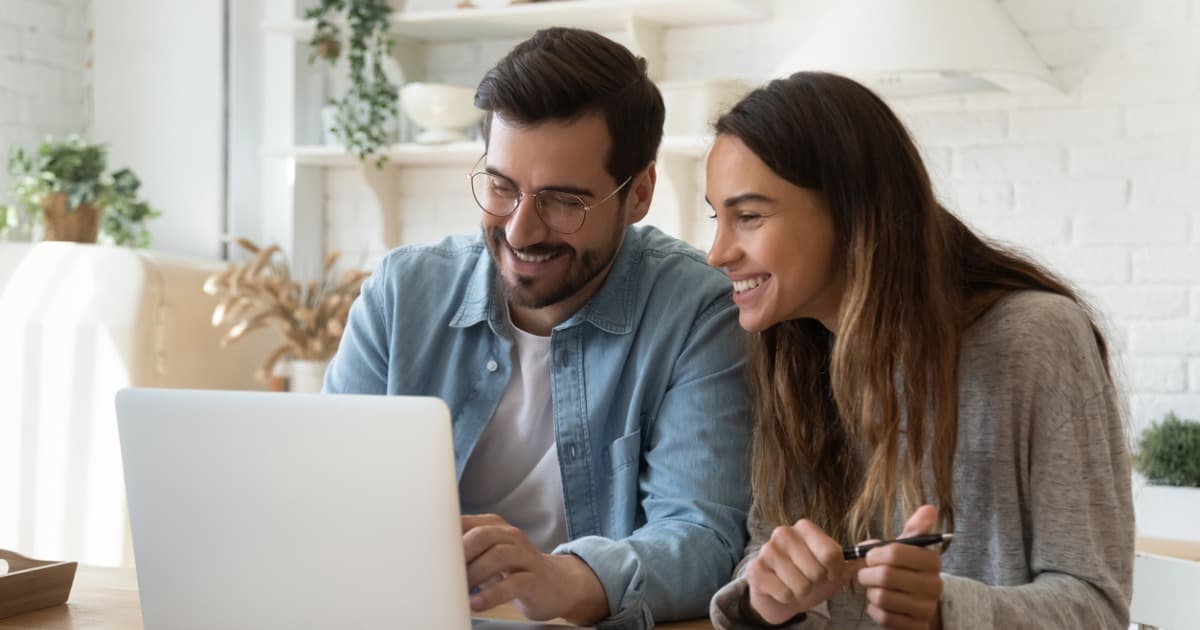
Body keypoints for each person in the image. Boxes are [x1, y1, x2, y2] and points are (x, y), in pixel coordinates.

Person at [324, 27, 752, 629]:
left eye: (562, 201)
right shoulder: (400, 295)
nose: (521, 231)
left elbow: (703, 538)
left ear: (640, 194)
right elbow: (323, 497)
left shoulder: (696, 313)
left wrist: (561, 579)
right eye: (501, 187)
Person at [703, 72, 1133, 629]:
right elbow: (768, 550)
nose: (716, 253)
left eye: (750, 217)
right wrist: (769, 602)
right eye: (718, 217)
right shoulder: (791, 353)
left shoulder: (1036, 339)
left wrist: (943, 613)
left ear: (852, 211)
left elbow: (1097, 606)